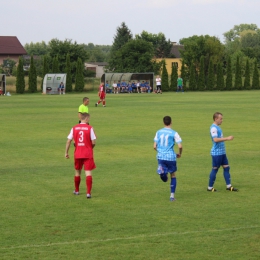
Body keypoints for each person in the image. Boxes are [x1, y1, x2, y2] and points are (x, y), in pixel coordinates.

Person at [65, 113, 96, 198]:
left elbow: (68, 141)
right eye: (89, 118)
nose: (89, 120)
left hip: (78, 153)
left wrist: (66, 152)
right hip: (87, 153)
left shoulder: (74, 128)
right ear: (86, 119)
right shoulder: (90, 128)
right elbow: (93, 142)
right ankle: (88, 193)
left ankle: (77, 190)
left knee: (77, 172)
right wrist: (89, 147)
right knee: (88, 172)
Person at [153, 116, 183, 201]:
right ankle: (172, 197)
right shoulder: (174, 133)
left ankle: (162, 171)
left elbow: (154, 146)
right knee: (173, 175)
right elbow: (180, 146)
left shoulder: (158, 132)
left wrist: (160, 152)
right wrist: (179, 154)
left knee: (165, 178)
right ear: (171, 122)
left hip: (161, 157)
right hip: (170, 157)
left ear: (163, 123)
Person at [207, 112, 238, 192]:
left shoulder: (217, 127)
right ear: (216, 119)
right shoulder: (213, 128)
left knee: (227, 167)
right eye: (221, 119)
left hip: (222, 152)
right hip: (217, 153)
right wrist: (227, 138)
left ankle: (229, 186)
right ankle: (210, 188)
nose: (222, 120)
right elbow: (215, 139)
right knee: (215, 169)